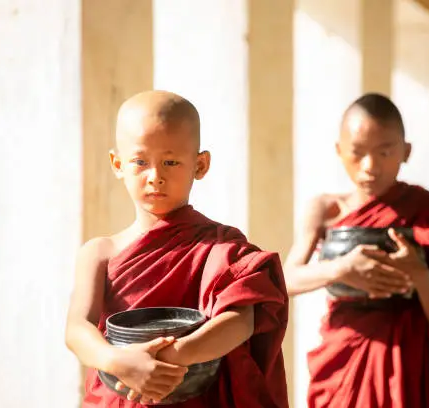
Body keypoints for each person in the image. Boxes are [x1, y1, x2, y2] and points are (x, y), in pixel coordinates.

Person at [284, 93, 429, 407]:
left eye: (385, 152)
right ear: (339, 151)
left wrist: (419, 273)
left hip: (416, 371)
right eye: (357, 153)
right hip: (345, 365)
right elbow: (286, 280)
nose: (370, 167)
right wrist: (342, 268)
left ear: (406, 152)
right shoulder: (326, 210)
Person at [65, 90, 289, 408]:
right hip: (122, 395)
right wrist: (119, 362)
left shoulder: (220, 245)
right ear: (117, 164)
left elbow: (241, 321)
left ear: (200, 164)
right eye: (140, 161)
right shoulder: (99, 252)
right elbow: (77, 329)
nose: (155, 176)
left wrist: (169, 357)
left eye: (170, 162)